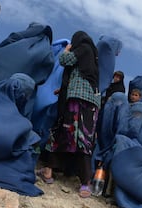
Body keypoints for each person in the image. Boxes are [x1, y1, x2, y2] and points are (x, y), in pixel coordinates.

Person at [41, 31, 100, 198]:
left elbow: (64, 61)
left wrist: (66, 50)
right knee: (83, 138)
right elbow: (79, 75)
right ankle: (85, 182)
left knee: (64, 131)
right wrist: (65, 89)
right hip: (90, 102)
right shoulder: (92, 59)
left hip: (77, 100)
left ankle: (49, 171)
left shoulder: (83, 48)